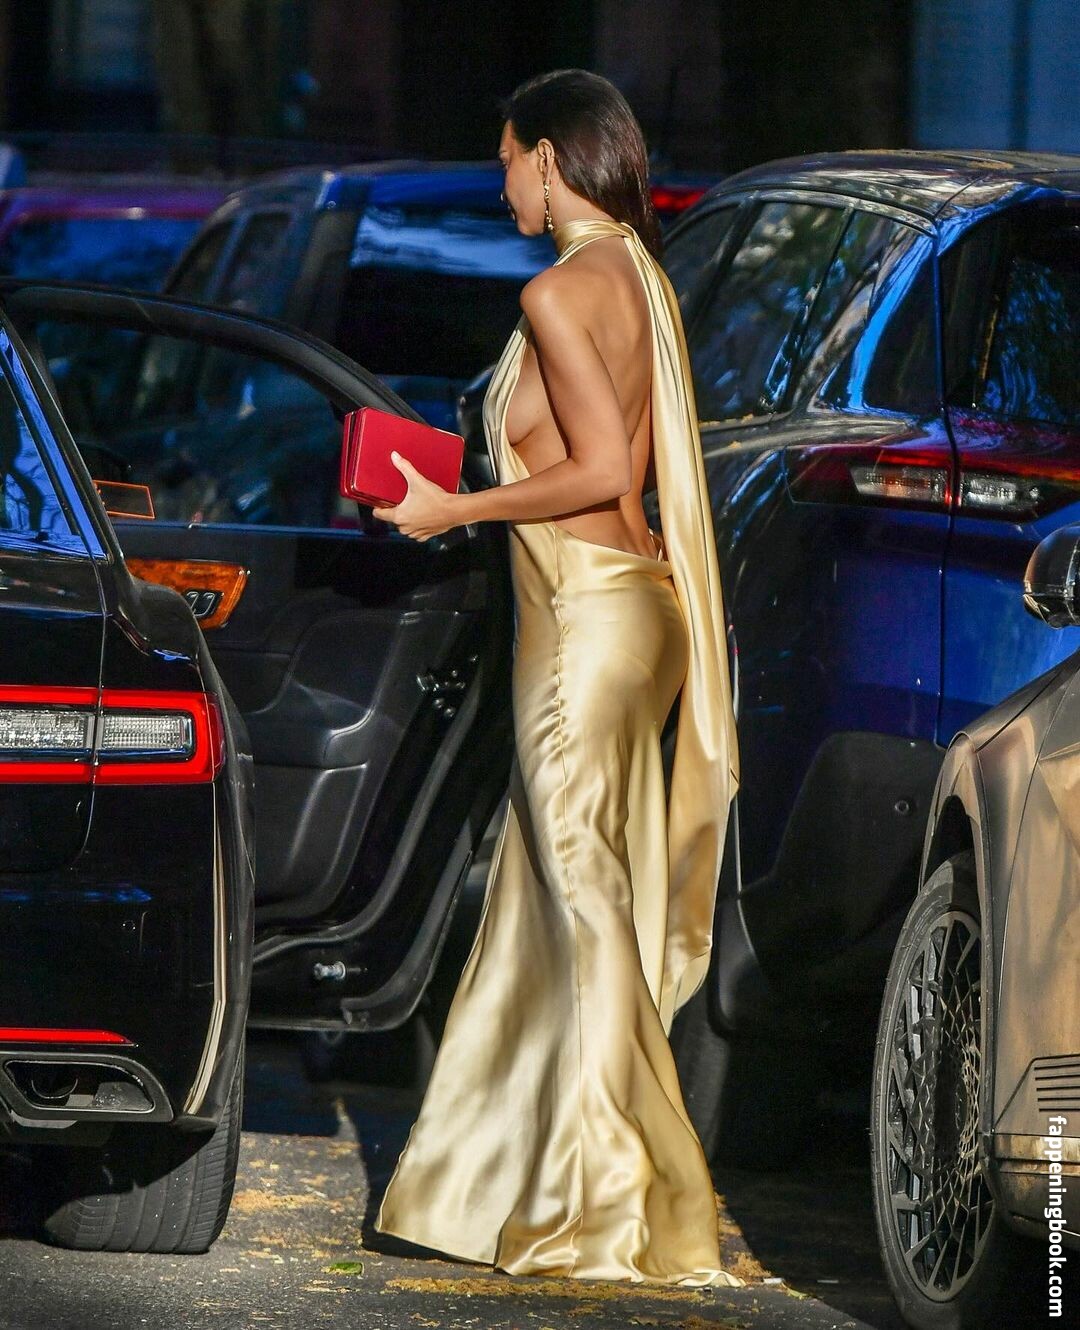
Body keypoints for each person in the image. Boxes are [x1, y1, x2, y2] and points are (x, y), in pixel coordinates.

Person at [369, 68, 742, 1287]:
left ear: (547, 156)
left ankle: (650, 1202)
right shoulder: (640, 274)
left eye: (505, 160)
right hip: (637, 611)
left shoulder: (556, 288)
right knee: (557, 896)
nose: (500, 185)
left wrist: (451, 509)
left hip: (584, 621)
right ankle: (512, 1187)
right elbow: (638, 463)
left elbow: (599, 474)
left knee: (580, 902)